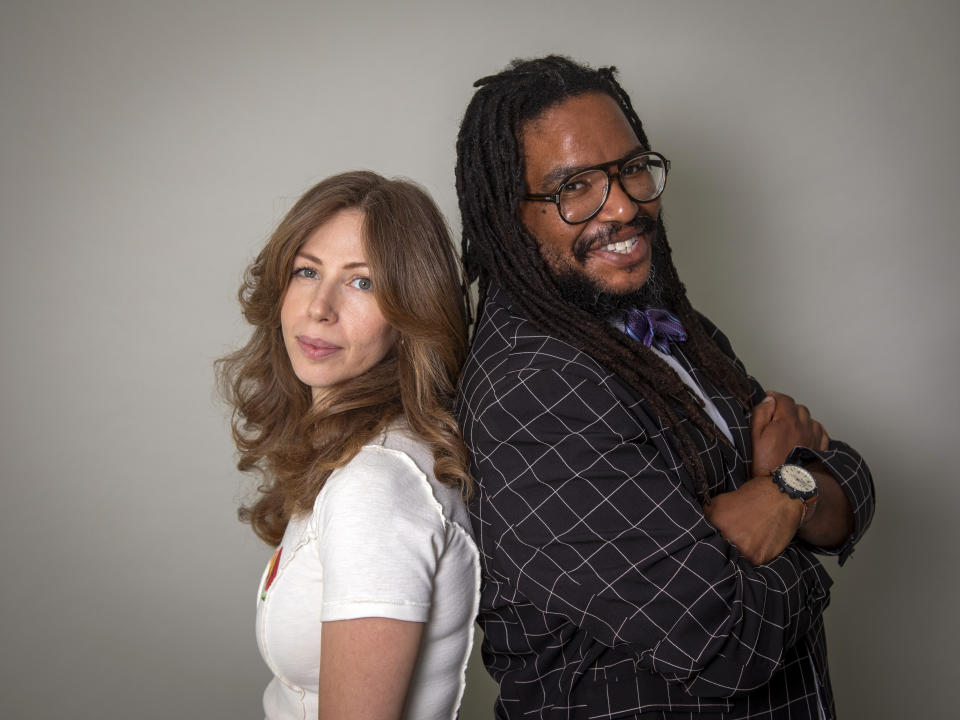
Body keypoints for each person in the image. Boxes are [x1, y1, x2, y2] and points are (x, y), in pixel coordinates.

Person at [454, 56, 875, 719]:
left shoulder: (669, 323)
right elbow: (730, 640)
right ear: (510, 217)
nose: (622, 205)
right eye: (575, 186)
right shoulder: (532, 392)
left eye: (630, 169)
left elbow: (848, 475)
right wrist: (794, 489)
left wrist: (778, 497)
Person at [218, 171, 479, 720]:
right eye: (307, 271)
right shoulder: (358, 456)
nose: (319, 306)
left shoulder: (375, 486)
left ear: (412, 309)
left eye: (362, 283)